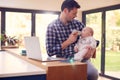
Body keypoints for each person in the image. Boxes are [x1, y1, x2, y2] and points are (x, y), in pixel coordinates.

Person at [46, 0, 98, 80]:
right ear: (65, 11)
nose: (76, 16)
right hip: (63, 60)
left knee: (93, 73)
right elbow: (50, 51)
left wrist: (91, 51)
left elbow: (92, 39)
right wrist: (68, 41)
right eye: (74, 13)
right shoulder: (52, 27)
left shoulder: (78, 24)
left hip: (81, 59)